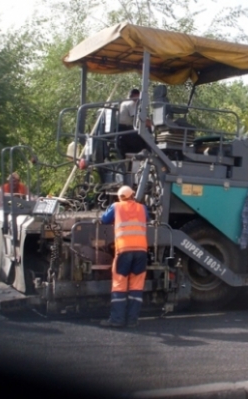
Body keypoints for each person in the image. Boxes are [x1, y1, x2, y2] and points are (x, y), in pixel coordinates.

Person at [100, 185, 150, 328]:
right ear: (133, 195)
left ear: (120, 197)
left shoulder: (116, 206)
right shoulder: (142, 208)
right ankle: (132, 320)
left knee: (119, 285)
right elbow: (147, 219)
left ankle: (117, 320)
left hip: (124, 250)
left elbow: (104, 219)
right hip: (141, 251)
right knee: (136, 286)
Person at [117, 88, 148, 158]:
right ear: (136, 95)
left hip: (120, 132)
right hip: (125, 131)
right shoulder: (131, 103)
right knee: (145, 140)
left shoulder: (123, 103)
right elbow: (139, 119)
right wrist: (152, 124)